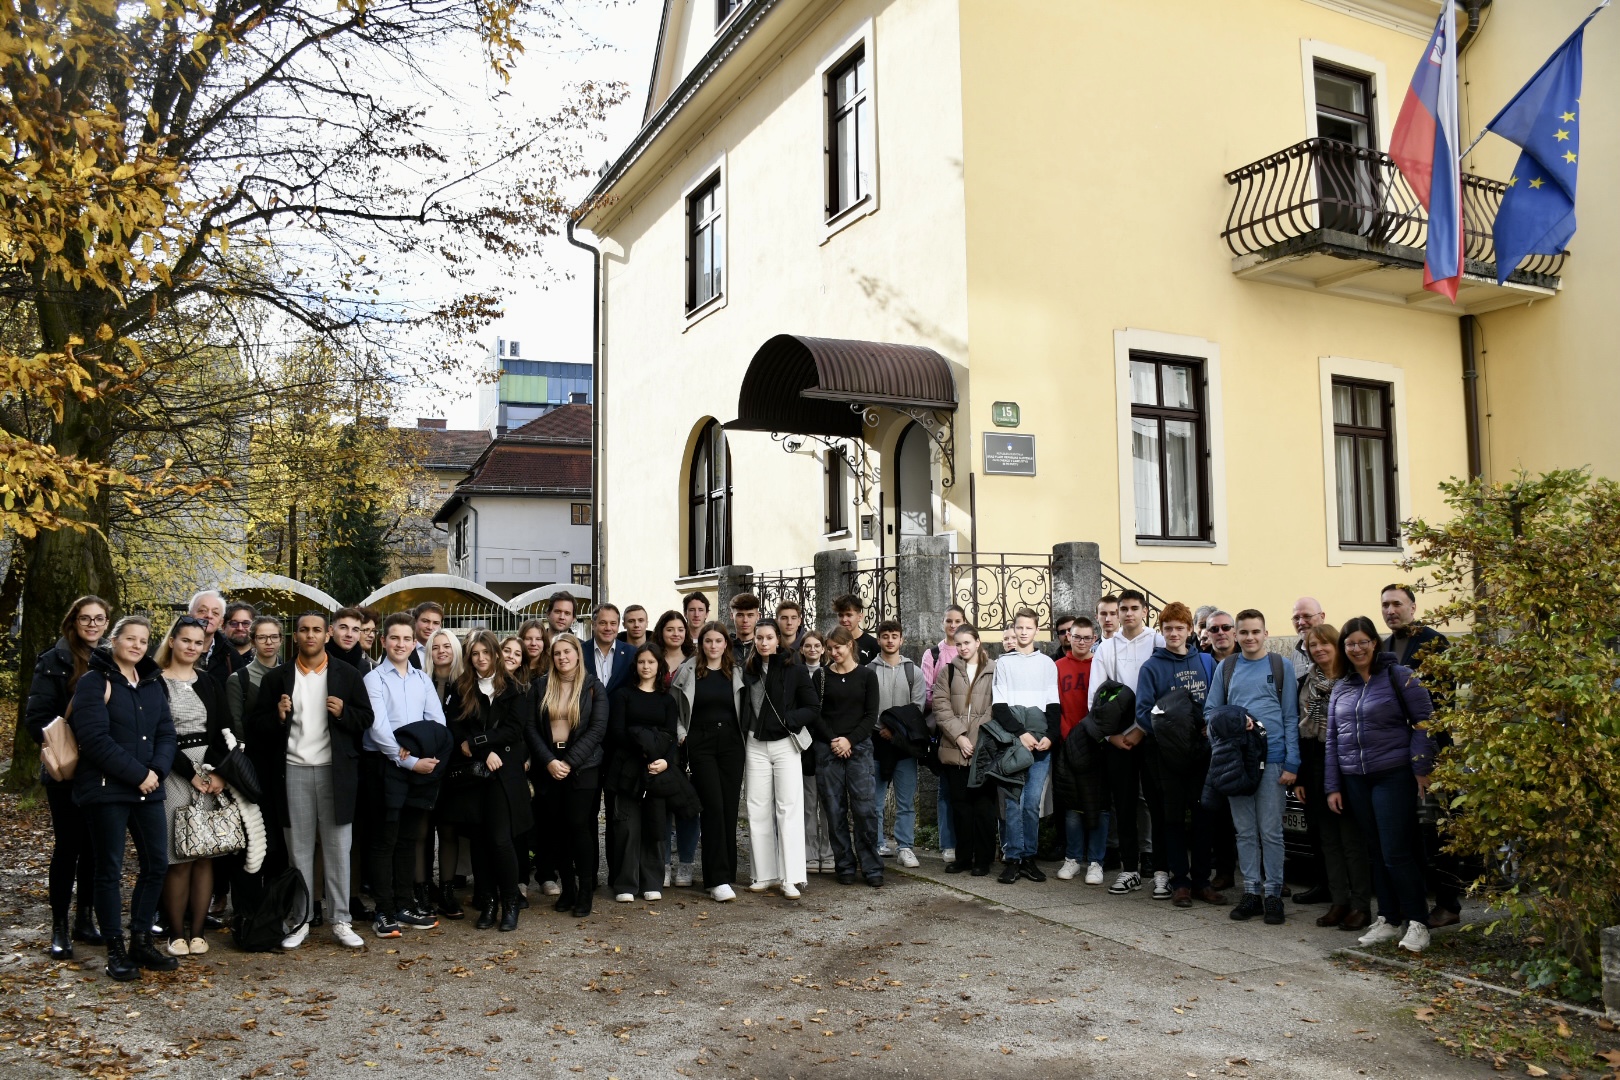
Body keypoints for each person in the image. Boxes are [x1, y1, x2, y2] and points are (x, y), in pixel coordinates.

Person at [248, 611, 373, 949]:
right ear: (296, 636)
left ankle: (341, 920)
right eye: (304, 630)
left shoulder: (346, 675)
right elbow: (256, 725)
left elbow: (366, 719)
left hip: (335, 772)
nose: (310, 635)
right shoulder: (278, 678)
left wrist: (344, 712)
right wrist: (277, 715)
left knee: (338, 848)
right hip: (293, 771)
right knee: (298, 851)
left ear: (327, 635)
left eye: (317, 630)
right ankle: (299, 919)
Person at [69, 615, 179, 981]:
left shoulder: (152, 681)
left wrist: (157, 773)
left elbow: (166, 731)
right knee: (109, 869)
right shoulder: (93, 681)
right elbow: (94, 740)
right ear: (113, 640)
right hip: (106, 789)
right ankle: (115, 948)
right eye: (129, 638)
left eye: (143, 640)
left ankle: (141, 940)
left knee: (156, 864)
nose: (137, 645)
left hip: (149, 787)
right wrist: (139, 775)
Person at [1326, 616, 1435, 954]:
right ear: (1344, 649)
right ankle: (1387, 918)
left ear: (1374, 643)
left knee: (1395, 850)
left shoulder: (1397, 676)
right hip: (1355, 778)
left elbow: (1424, 722)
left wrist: (1421, 767)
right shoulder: (1341, 686)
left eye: (1362, 641)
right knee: (1376, 850)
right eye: (1350, 643)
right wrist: (1333, 786)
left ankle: (1418, 922)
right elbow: (1332, 740)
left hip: (1392, 774)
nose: (1356, 648)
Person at [25, 595, 111, 959]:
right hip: (66, 770)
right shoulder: (54, 660)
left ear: (107, 623)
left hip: (102, 769)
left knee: (94, 848)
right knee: (68, 848)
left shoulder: (112, 659)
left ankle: (84, 919)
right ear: (73, 621)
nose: (92, 624)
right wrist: (72, 737)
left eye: (99, 618)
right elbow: (37, 719)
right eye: (85, 618)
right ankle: (59, 924)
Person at [1207, 609, 1300, 926]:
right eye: (1243, 632)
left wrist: (1292, 761)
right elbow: (1211, 713)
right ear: (1235, 635)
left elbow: (1290, 717)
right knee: (1244, 832)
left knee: (1271, 831)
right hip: (1237, 761)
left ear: (1265, 633)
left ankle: (1273, 894)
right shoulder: (1227, 668)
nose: (1249, 638)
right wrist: (1233, 720)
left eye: (1255, 632)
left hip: (1272, 760)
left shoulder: (1280, 666)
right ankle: (1251, 892)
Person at [362, 613, 449, 938]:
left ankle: (404, 903)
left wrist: (422, 752)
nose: (400, 644)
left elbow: (437, 722)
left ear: (415, 643)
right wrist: (409, 759)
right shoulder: (374, 680)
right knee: (385, 839)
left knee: (408, 839)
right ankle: (383, 911)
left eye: (406, 639)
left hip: (421, 767)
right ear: (383, 641)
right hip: (388, 767)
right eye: (394, 638)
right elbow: (380, 730)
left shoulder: (422, 680)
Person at [1380, 583, 1461, 929]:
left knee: (1436, 830)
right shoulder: (1383, 648)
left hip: (1431, 752)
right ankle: (1411, 903)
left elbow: (1442, 702)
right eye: (1385, 605)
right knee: (1408, 832)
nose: (1390, 610)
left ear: (1413, 607)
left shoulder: (1433, 643)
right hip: (1396, 753)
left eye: (1397, 604)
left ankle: (1448, 904)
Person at [1132, 603, 1219, 907]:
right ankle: (1179, 881)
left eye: (1179, 628)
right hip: (1166, 756)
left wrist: (1209, 727)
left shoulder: (1207, 663)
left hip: (1201, 753)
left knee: (1203, 815)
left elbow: (1218, 702)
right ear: (1161, 631)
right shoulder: (1152, 667)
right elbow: (1143, 713)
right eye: (1168, 628)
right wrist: (1170, 736)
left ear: (1190, 630)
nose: (1173, 634)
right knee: (1172, 818)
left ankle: (1201, 881)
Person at [155, 616, 230, 957]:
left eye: (198, 643)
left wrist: (217, 773)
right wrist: (191, 774)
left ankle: (198, 932)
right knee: (179, 857)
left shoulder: (211, 682)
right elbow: (160, 735)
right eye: (185, 640)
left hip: (210, 770)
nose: (191, 647)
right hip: (173, 771)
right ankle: (175, 933)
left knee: (205, 856)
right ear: (172, 641)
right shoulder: (155, 683)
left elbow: (224, 731)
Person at [445, 630, 530, 932]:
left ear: (495, 653)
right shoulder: (462, 687)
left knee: (500, 839)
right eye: (475, 654)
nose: (480, 659)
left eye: (485, 653)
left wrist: (482, 743)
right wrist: (482, 750)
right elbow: (455, 729)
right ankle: (487, 902)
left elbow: (513, 730)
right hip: (475, 773)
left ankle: (510, 902)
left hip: (503, 774)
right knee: (478, 841)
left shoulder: (515, 688)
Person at [1293, 623, 1372, 932]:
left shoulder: (1353, 680)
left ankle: (1360, 905)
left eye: (1325, 643)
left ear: (1337, 646)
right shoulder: (1305, 682)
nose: (1319, 649)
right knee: (1327, 840)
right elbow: (1298, 731)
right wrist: (1300, 776)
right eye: (1313, 645)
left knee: (1351, 839)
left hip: (1346, 764)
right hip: (1314, 765)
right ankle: (1338, 901)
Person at [1089, 590, 1165, 894]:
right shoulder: (1106, 648)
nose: (1129, 613)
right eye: (1124, 609)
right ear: (1117, 613)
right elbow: (1095, 697)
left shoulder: (1158, 642)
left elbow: (1165, 690)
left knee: (1157, 803)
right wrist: (1111, 735)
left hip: (1152, 735)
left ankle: (1161, 869)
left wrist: (1143, 729)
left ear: (1145, 611)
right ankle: (1129, 868)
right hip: (1118, 739)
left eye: (1135, 608)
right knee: (1124, 802)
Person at [527, 634, 608, 916]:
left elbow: (598, 730)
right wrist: (549, 760)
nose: (563, 657)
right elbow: (531, 728)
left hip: (582, 767)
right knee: (556, 829)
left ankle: (585, 891)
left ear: (577, 654)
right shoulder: (539, 687)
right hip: (549, 766)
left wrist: (569, 762)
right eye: (557, 653)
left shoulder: (592, 687)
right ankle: (568, 890)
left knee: (579, 827)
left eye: (568, 652)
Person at [671, 622, 747, 901]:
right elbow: (674, 705)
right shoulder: (688, 670)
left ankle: (726, 871)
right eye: (708, 641)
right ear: (701, 643)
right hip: (699, 743)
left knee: (728, 808)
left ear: (726, 644)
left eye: (718, 641)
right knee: (713, 806)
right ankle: (715, 880)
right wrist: (681, 735)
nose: (713, 646)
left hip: (731, 743)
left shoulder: (736, 672)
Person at [742, 620, 817, 896]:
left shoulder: (795, 670)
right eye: (759, 638)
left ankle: (791, 877)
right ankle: (764, 874)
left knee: (789, 809)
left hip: (785, 744)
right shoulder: (747, 671)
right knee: (757, 808)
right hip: (755, 744)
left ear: (778, 640)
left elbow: (813, 707)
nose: (763, 642)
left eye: (768, 637)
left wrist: (789, 719)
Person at [808, 627, 883, 887]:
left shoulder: (866, 676)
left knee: (864, 809)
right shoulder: (821, 676)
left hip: (859, 748)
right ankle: (845, 865)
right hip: (828, 749)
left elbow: (871, 716)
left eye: (837, 647)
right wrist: (834, 740)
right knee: (834, 810)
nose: (833, 652)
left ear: (850, 645)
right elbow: (815, 714)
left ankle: (872, 866)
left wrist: (849, 740)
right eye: (829, 648)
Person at [606, 646, 681, 903]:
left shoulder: (667, 700)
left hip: (656, 769)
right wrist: (645, 748)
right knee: (627, 827)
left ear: (659, 665)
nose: (646, 666)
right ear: (635, 665)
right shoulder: (623, 695)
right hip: (628, 768)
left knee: (655, 825)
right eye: (641, 662)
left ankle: (652, 881)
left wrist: (664, 763)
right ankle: (626, 883)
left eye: (651, 662)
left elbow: (671, 737)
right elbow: (617, 732)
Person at [992, 608, 1061, 884]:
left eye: (1028, 628)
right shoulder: (1004, 663)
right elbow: (1000, 706)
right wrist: (1020, 733)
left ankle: (1029, 857)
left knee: (1031, 803)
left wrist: (1051, 736)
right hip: (1013, 742)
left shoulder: (1046, 664)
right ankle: (1013, 858)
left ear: (1036, 630)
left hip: (1040, 743)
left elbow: (1053, 705)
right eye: (1019, 627)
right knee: (1013, 802)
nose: (1023, 632)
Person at [931, 625, 998, 876]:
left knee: (983, 807)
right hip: (955, 749)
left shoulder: (994, 670)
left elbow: (996, 707)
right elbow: (941, 706)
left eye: (967, 642)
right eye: (958, 644)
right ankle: (963, 858)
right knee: (960, 806)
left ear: (978, 642)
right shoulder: (948, 671)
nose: (963, 648)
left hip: (982, 750)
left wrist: (976, 739)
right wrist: (959, 736)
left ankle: (983, 859)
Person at [1054, 617, 1109, 885]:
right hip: (1069, 743)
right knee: (1072, 804)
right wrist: (1069, 736)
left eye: (1087, 638)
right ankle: (1073, 858)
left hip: (1097, 742)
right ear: (1069, 637)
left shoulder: (1101, 665)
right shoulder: (1057, 667)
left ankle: (1096, 861)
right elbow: (1056, 706)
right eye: (1077, 637)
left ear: (1095, 638)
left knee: (1099, 804)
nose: (1082, 642)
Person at [870, 619, 926, 868]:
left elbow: (917, 708)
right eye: (885, 636)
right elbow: (865, 706)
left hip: (904, 745)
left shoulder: (913, 671)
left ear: (901, 640)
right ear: (879, 639)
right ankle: (877, 842)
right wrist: (881, 729)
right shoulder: (868, 670)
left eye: (894, 635)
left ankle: (905, 847)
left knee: (905, 800)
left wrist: (895, 731)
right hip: (875, 741)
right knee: (874, 799)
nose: (890, 640)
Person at [424, 627, 472, 915]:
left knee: (450, 830)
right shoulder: (420, 681)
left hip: (456, 768)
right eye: (435, 646)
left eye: (447, 646)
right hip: (424, 767)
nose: (441, 650)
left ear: (455, 650)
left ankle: (446, 891)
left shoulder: (466, 684)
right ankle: (421, 887)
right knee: (423, 831)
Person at [651, 609, 699, 886]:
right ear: (662, 631)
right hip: (660, 741)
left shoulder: (695, 663)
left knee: (687, 803)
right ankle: (664, 863)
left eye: (680, 629)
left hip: (687, 743)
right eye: (670, 629)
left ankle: (686, 864)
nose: (676, 634)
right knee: (663, 804)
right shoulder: (651, 661)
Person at [920, 605, 966, 863]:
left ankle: (966, 841)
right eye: (949, 620)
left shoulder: (973, 651)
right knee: (946, 788)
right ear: (943, 622)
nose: (953, 625)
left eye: (958, 621)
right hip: (943, 727)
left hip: (969, 728)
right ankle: (948, 843)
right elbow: (927, 694)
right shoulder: (933, 654)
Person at [796, 631, 835, 873]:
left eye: (817, 645)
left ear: (824, 649)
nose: (812, 649)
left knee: (828, 803)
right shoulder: (795, 673)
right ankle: (809, 852)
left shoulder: (829, 674)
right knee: (808, 803)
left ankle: (828, 852)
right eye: (807, 645)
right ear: (801, 649)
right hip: (806, 743)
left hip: (828, 742)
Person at [189, 589, 245, 686]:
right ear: (190, 615)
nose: (209, 616)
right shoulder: (173, 650)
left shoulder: (230, 655)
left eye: (215, 613)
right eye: (202, 611)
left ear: (221, 622)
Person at [587, 603, 637, 697]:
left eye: (613, 623)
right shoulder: (580, 652)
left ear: (618, 626)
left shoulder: (632, 653)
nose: (608, 628)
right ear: (593, 625)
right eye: (603, 623)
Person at [832, 594, 879, 664]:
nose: (844, 619)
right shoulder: (831, 644)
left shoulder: (873, 644)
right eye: (841, 615)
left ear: (860, 617)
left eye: (849, 615)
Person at [327, 606, 374, 674]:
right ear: (331, 630)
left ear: (359, 635)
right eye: (343, 627)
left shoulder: (365, 667)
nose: (349, 634)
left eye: (355, 630)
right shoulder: (319, 660)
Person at [1290, 597, 1326, 679]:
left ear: (1322, 617)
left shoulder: (1336, 650)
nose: (1301, 622)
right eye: (1296, 618)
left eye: (1307, 616)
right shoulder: (1294, 656)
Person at [729, 592, 761, 665]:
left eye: (750, 615)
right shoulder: (724, 646)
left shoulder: (764, 646)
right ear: (731, 616)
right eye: (740, 615)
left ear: (758, 616)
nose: (745, 620)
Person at [409, 602, 444, 669]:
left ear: (440, 626)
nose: (430, 627)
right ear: (415, 621)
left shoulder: (447, 651)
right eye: (425, 621)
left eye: (436, 623)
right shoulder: (402, 649)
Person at [518, 617, 550, 683]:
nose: (533, 643)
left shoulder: (552, 667)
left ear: (544, 642)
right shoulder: (513, 665)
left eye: (538, 639)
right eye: (528, 639)